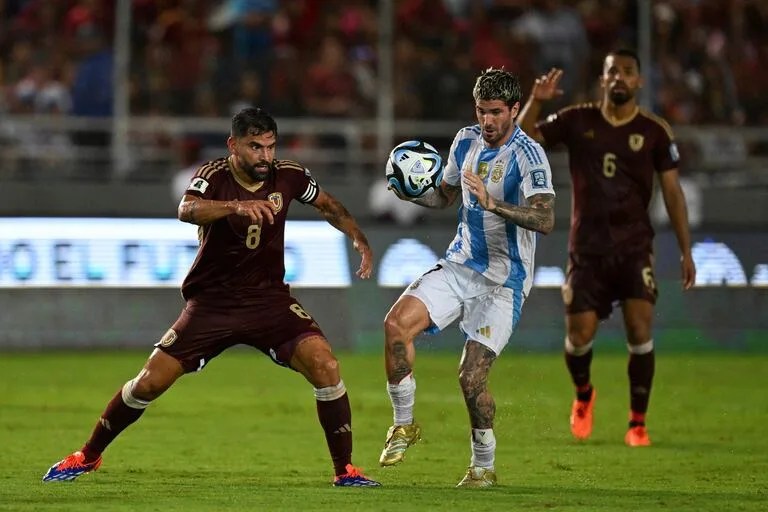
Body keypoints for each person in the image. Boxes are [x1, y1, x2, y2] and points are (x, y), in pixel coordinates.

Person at [43, 107, 380, 487]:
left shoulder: (290, 175)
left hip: (269, 301)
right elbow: (186, 209)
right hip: (213, 304)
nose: (265, 157)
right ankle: (87, 456)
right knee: (148, 383)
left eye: (270, 147)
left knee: (326, 365)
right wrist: (234, 207)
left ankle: (345, 471)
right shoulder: (213, 176)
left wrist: (358, 237)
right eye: (255, 147)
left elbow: (328, 205)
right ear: (233, 145)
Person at [379, 68, 556, 488]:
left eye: (496, 112)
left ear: (514, 110)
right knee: (395, 325)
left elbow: (545, 219)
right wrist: (414, 192)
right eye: (481, 111)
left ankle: (483, 465)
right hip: (461, 264)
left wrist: (494, 204)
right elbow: (445, 196)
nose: (488, 121)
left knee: (471, 377)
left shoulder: (529, 156)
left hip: (504, 283)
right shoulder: (464, 141)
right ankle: (404, 425)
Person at [517, 49, 696, 447]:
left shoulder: (654, 131)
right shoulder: (578, 120)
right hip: (587, 250)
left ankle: (637, 423)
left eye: (628, 72)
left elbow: (673, 194)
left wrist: (686, 251)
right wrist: (537, 101)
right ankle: (584, 395)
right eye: (613, 71)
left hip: (634, 248)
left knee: (639, 328)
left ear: (639, 82)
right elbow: (522, 139)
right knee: (578, 336)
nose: (620, 78)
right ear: (603, 78)